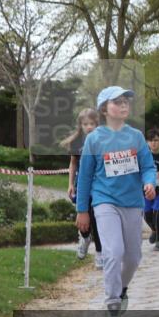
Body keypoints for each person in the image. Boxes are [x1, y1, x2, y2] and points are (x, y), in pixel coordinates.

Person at [76, 87, 157, 317]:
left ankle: (121, 290)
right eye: (117, 102)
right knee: (113, 251)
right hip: (104, 201)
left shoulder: (136, 137)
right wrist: (82, 211)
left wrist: (149, 183)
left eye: (126, 102)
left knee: (132, 257)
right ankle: (111, 302)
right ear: (104, 108)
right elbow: (84, 178)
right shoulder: (94, 139)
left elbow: (148, 167)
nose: (123, 106)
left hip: (132, 202)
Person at [63, 108, 101, 264]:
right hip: (82, 184)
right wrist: (70, 184)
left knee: (97, 218)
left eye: (92, 123)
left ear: (97, 124)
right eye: (86, 124)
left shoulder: (102, 140)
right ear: (81, 125)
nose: (89, 127)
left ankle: (100, 253)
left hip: (98, 184)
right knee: (84, 219)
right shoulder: (76, 142)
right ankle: (85, 238)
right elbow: (73, 164)